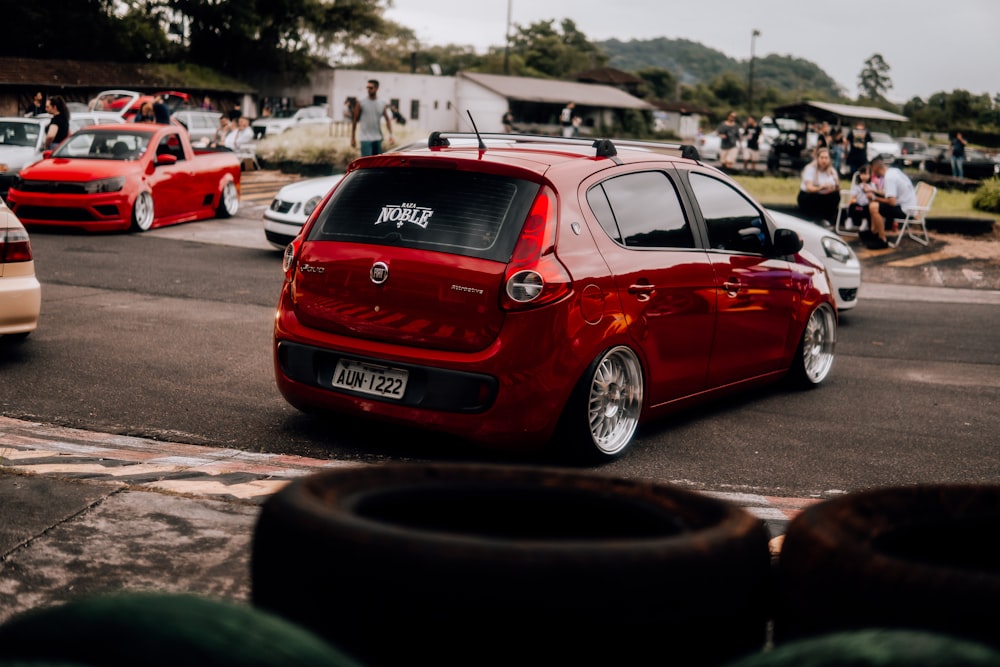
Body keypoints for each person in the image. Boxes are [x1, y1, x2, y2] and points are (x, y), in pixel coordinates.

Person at [867, 156, 917, 249]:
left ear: (876, 168)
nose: (872, 173)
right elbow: (889, 193)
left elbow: (892, 202)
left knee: (874, 207)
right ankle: (873, 232)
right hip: (910, 207)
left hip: (906, 211)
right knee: (875, 205)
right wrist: (873, 191)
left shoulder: (889, 178)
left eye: (872, 170)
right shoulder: (894, 171)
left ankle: (882, 239)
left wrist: (874, 197)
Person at [796, 146, 841, 225]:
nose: (824, 160)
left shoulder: (832, 171)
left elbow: (838, 188)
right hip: (808, 195)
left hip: (824, 195)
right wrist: (821, 187)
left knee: (835, 196)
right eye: (822, 158)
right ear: (817, 158)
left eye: (826, 158)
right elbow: (809, 188)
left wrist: (834, 188)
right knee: (814, 196)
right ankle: (811, 219)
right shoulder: (810, 169)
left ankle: (827, 219)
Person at [351, 79, 393, 157]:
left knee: (377, 165)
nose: (368, 90)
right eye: (367, 88)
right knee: (367, 164)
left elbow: (387, 119)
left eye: (371, 88)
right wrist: (352, 138)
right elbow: (354, 121)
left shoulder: (382, 103)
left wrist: (391, 135)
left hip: (378, 138)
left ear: (376, 89)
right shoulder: (361, 102)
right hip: (365, 139)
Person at [846, 162, 875, 233]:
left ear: (870, 175)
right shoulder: (857, 186)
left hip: (866, 204)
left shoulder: (872, 185)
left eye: (866, 174)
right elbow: (853, 195)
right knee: (852, 205)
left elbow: (874, 196)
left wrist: (869, 192)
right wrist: (854, 196)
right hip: (858, 204)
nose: (864, 176)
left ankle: (865, 222)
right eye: (862, 174)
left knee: (867, 208)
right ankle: (849, 220)